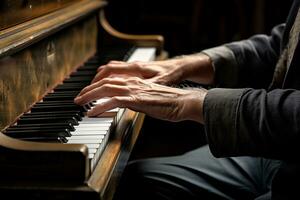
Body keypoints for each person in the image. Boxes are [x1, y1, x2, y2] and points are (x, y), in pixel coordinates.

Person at [74, 0, 300, 199]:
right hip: (275, 155)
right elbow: (283, 44)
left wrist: (191, 100)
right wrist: (183, 64)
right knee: (133, 180)